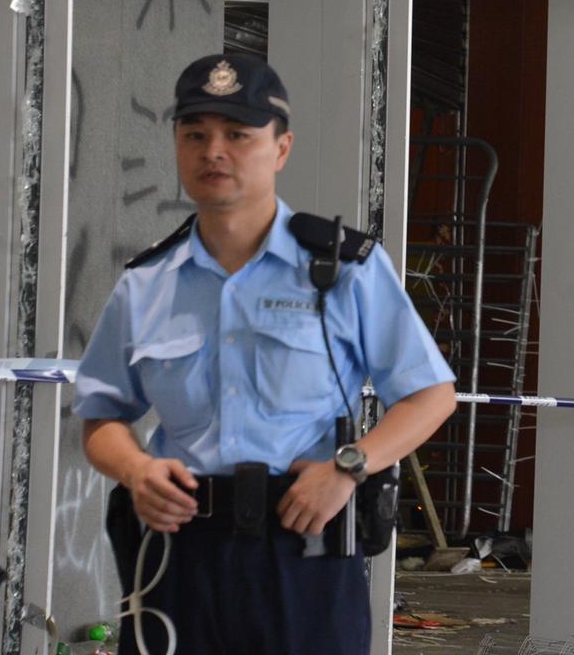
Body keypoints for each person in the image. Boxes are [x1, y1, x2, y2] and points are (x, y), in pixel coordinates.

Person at [73, 53, 456, 654]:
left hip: (303, 541)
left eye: (237, 135)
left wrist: (350, 467)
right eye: (194, 135)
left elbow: (431, 395)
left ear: (281, 149)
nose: (213, 152)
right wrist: (136, 470)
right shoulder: (147, 284)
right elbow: (102, 415)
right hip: (179, 551)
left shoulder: (343, 271)